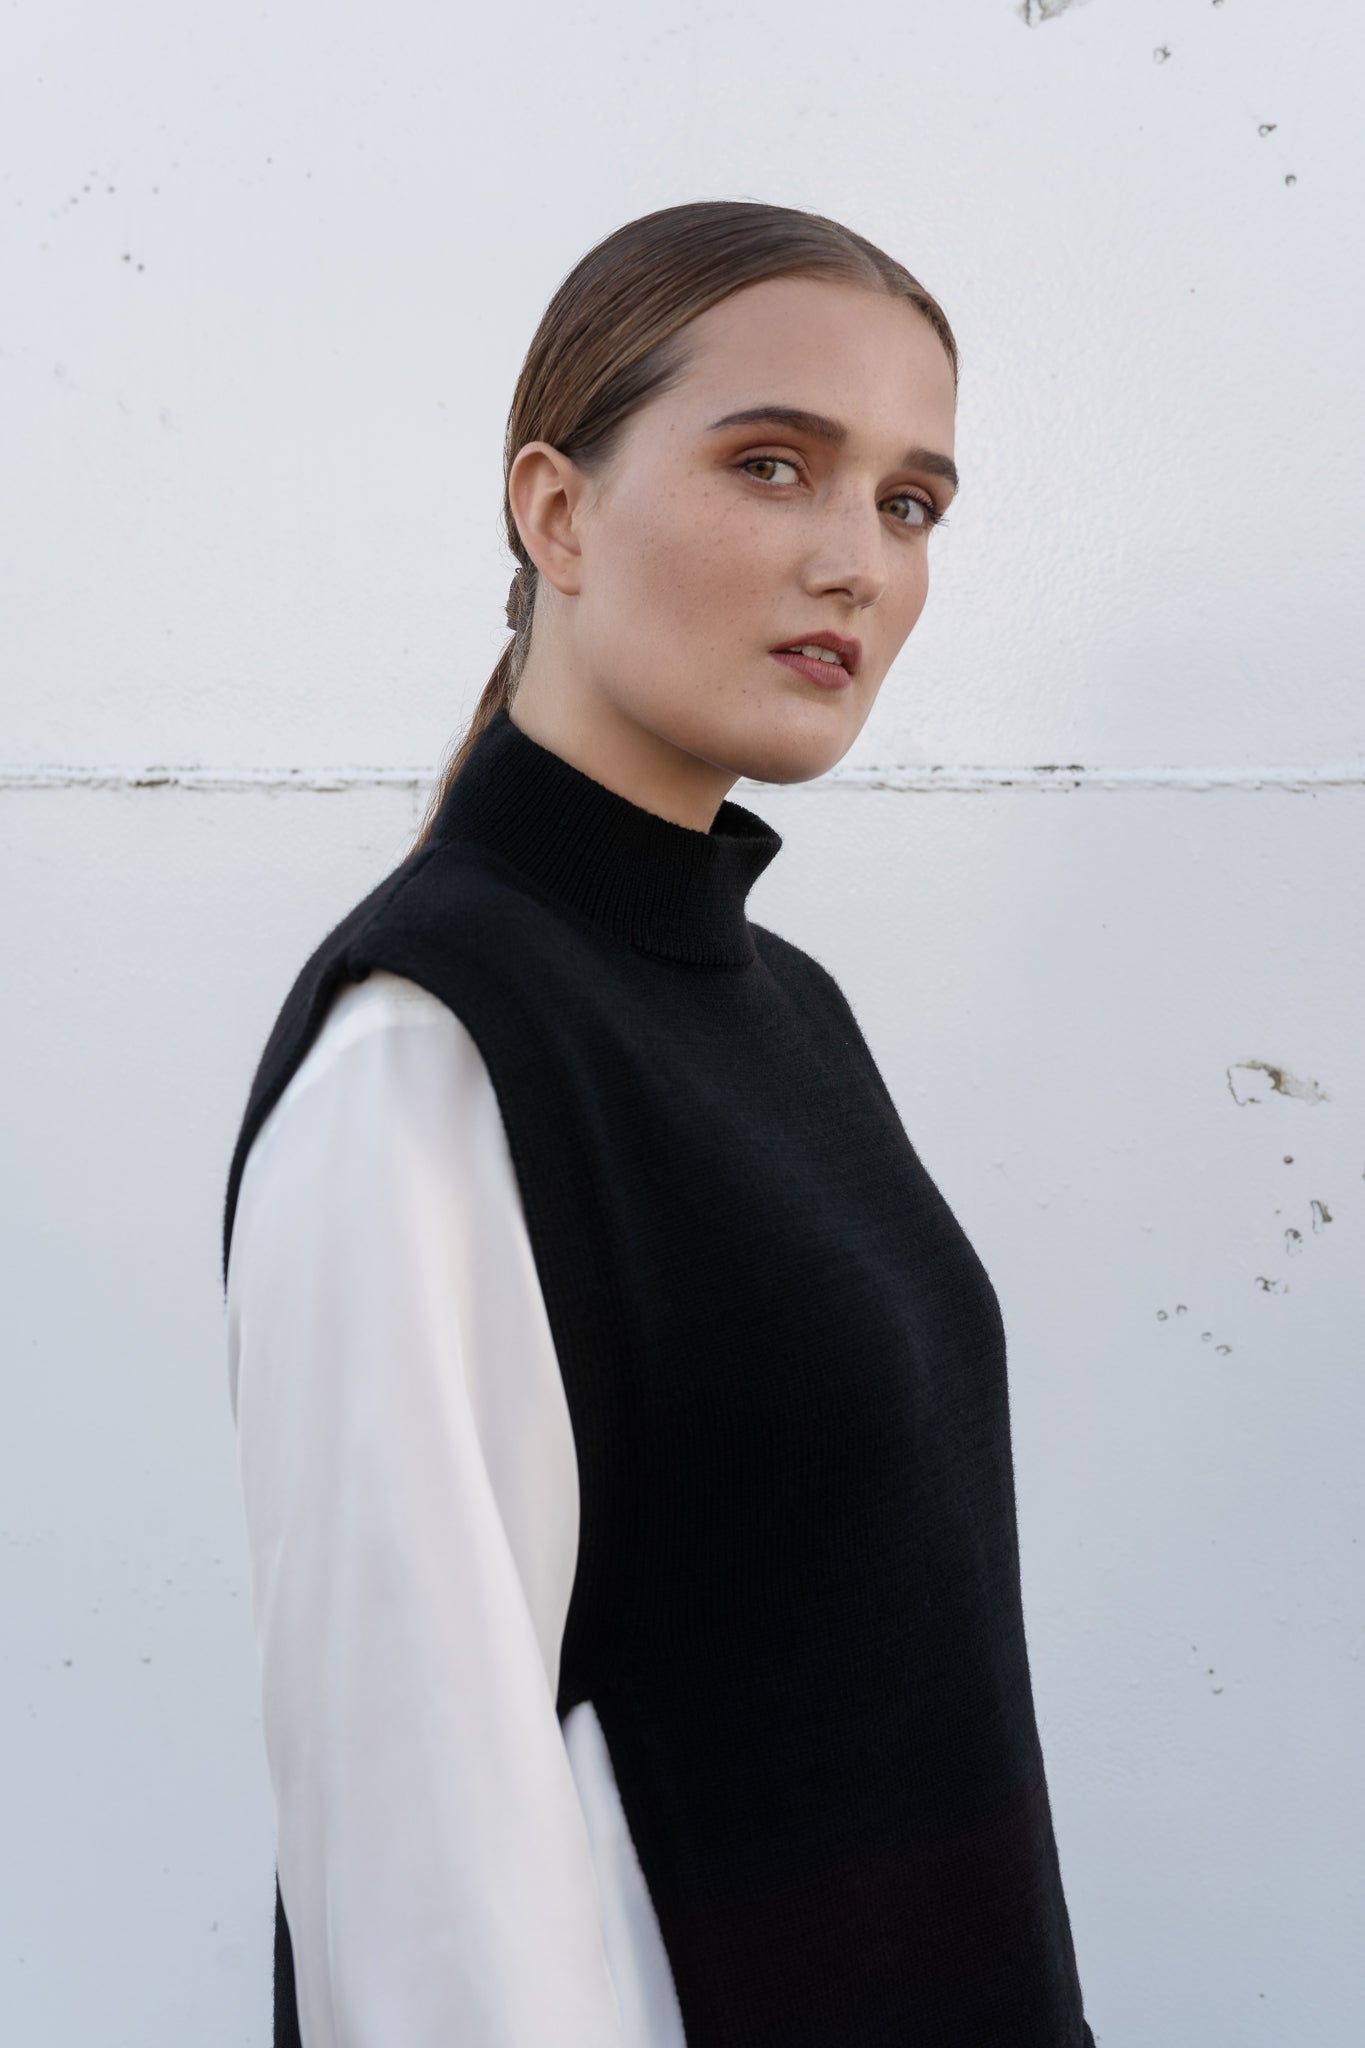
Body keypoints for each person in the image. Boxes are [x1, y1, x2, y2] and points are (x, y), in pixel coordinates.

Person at [223, 198, 1096, 2048]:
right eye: (772, 465)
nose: (854, 561)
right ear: (555, 513)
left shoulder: (784, 1009)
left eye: (909, 504)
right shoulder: (435, 1047)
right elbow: (425, 1882)